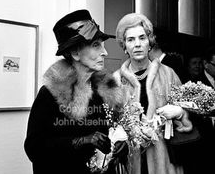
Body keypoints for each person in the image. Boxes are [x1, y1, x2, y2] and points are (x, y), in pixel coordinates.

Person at [24, 9, 128, 174]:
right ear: (74, 52)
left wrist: (120, 145)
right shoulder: (50, 94)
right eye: (96, 45)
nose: (105, 52)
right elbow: (34, 148)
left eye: (103, 45)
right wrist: (83, 140)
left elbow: (107, 136)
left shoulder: (102, 92)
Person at [113, 13, 193, 174]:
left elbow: (190, 112)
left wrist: (180, 113)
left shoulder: (168, 74)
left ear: (150, 42)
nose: (137, 44)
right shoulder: (115, 81)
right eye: (131, 39)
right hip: (132, 163)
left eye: (142, 38)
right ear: (124, 46)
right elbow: (110, 124)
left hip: (165, 162)